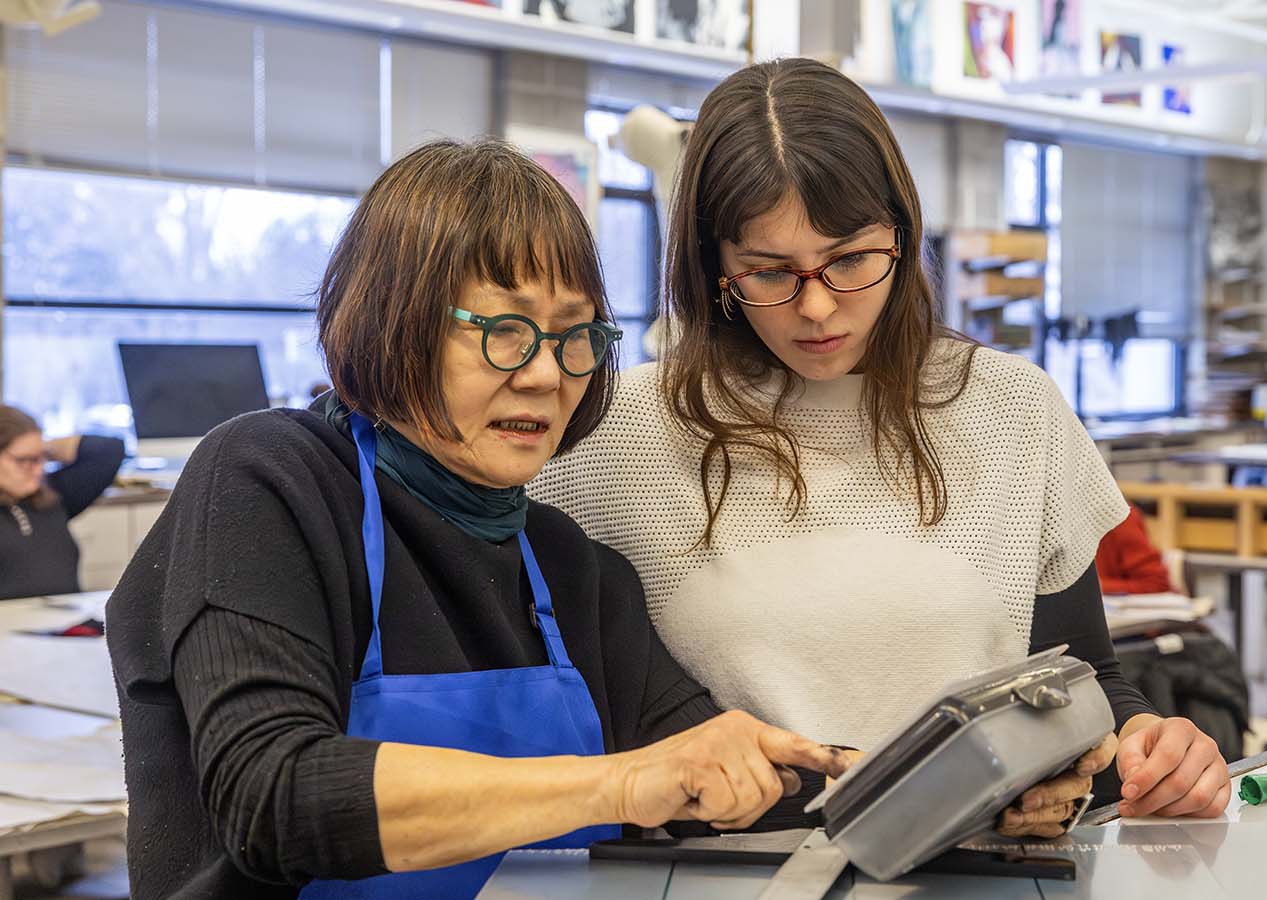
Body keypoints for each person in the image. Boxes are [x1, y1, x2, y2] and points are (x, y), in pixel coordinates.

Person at [106, 139, 848, 900]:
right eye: (504, 332)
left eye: (574, 336)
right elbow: (274, 798)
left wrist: (871, 775)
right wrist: (617, 783)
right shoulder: (270, 477)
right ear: (396, 322)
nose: (545, 374)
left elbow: (702, 776)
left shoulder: (569, 568)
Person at [532, 58, 1231, 834]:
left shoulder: (1012, 409)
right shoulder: (618, 436)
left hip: (971, 878)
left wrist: (1149, 747)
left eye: (852, 259)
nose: (819, 307)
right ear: (713, 272)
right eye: (769, 272)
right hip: (719, 883)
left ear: (902, 234)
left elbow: (1085, 681)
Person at [0, 406, 125, 600]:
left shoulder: (53, 497)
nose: (38, 470)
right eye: (25, 460)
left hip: (66, 623)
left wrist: (45, 447)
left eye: (42, 459)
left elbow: (109, 450)